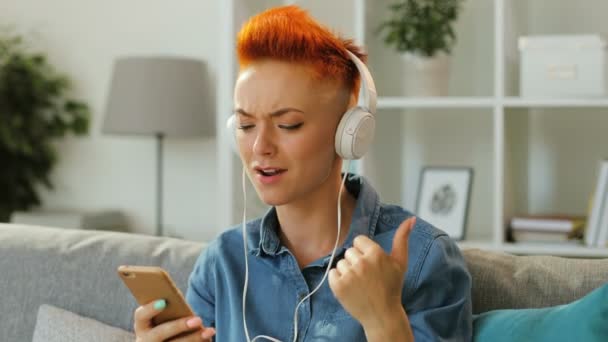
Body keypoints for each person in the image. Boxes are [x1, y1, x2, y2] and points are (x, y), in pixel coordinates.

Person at [133, 5, 472, 341]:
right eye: (246, 125)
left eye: (288, 124)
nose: (259, 147)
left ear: (349, 132)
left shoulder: (423, 258)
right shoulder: (223, 263)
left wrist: (383, 319)